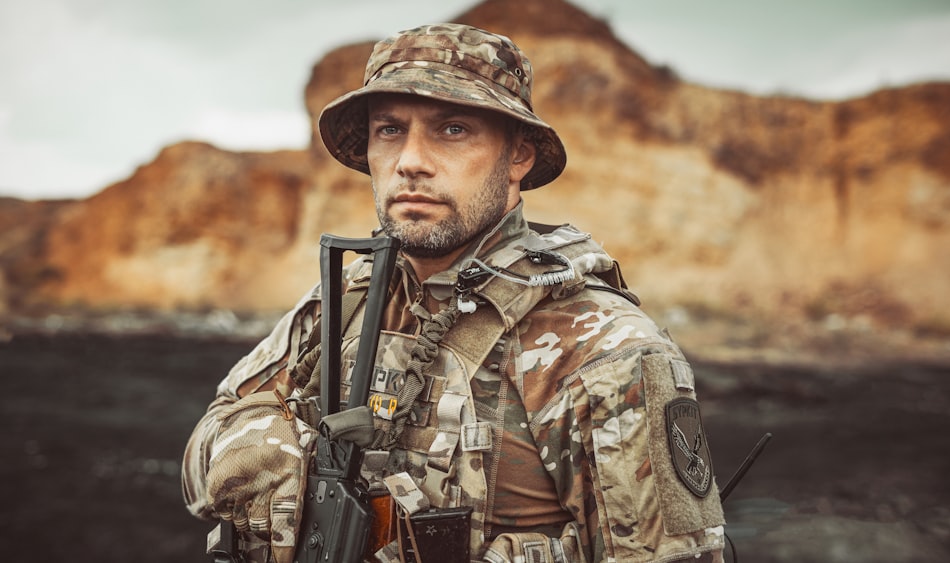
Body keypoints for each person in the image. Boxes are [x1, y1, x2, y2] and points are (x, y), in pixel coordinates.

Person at [182, 23, 725, 563]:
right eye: (390, 130)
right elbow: (209, 435)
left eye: (454, 130)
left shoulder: (600, 345)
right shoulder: (346, 301)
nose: (411, 161)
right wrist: (261, 451)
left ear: (518, 157)